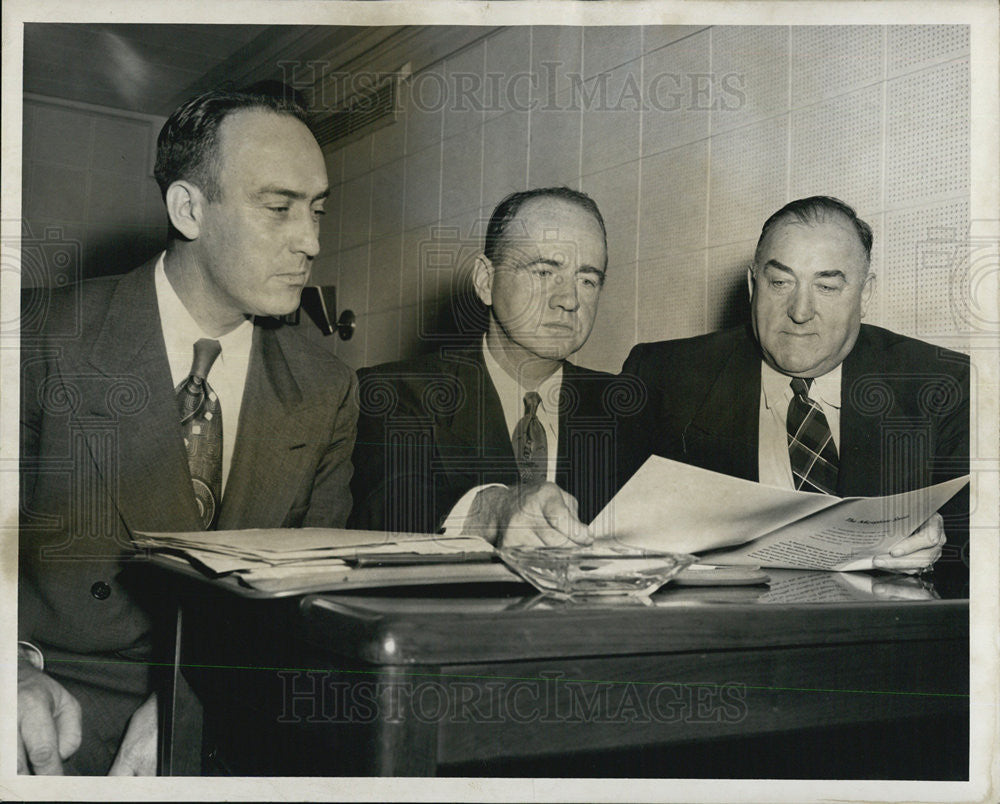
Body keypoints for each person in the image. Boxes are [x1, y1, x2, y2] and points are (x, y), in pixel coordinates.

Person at [18, 88, 358, 775]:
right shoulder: (37, 338)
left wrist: (195, 695)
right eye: (279, 208)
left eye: (317, 210)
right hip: (47, 691)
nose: (312, 241)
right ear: (189, 209)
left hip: (231, 695)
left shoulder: (327, 389)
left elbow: (312, 604)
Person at [621, 196, 969, 577]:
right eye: (781, 282)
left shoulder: (942, 385)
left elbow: (976, 556)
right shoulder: (664, 377)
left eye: (827, 286)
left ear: (864, 294)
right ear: (754, 286)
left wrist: (936, 544)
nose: (800, 312)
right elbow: (611, 535)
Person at [349, 187, 638, 545]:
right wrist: (490, 513)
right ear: (486, 281)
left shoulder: (628, 409)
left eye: (587, 280)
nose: (569, 300)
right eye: (545, 272)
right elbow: (382, 508)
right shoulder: (395, 392)